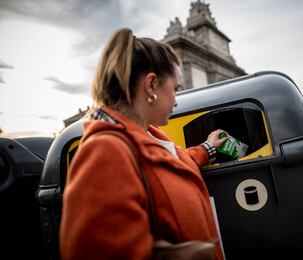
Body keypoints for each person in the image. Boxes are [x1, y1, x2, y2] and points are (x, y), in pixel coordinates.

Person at [59, 28, 227, 259]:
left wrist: (207, 148)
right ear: (151, 85)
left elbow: (172, 165)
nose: (176, 101)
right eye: (175, 89)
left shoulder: (146, 135)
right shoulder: (105, 152)